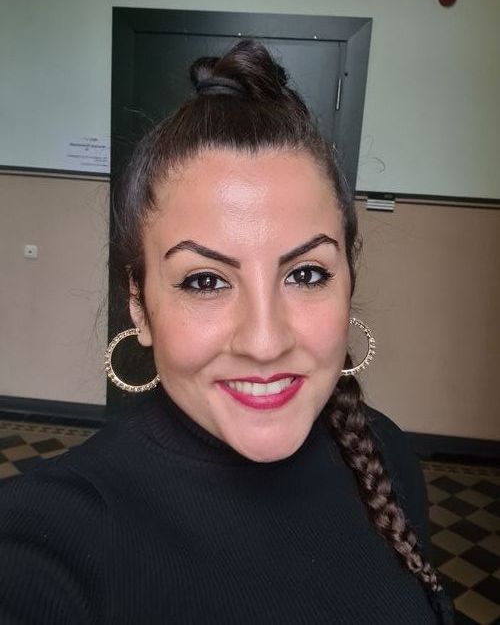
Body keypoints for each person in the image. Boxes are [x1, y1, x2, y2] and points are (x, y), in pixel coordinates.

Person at [0, 40, 453, 624]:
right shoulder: (51, 530)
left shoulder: (386, 453)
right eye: (205, 281)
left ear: (348, 281)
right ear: (139, 305)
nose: (264, 343)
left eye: (306, 273)